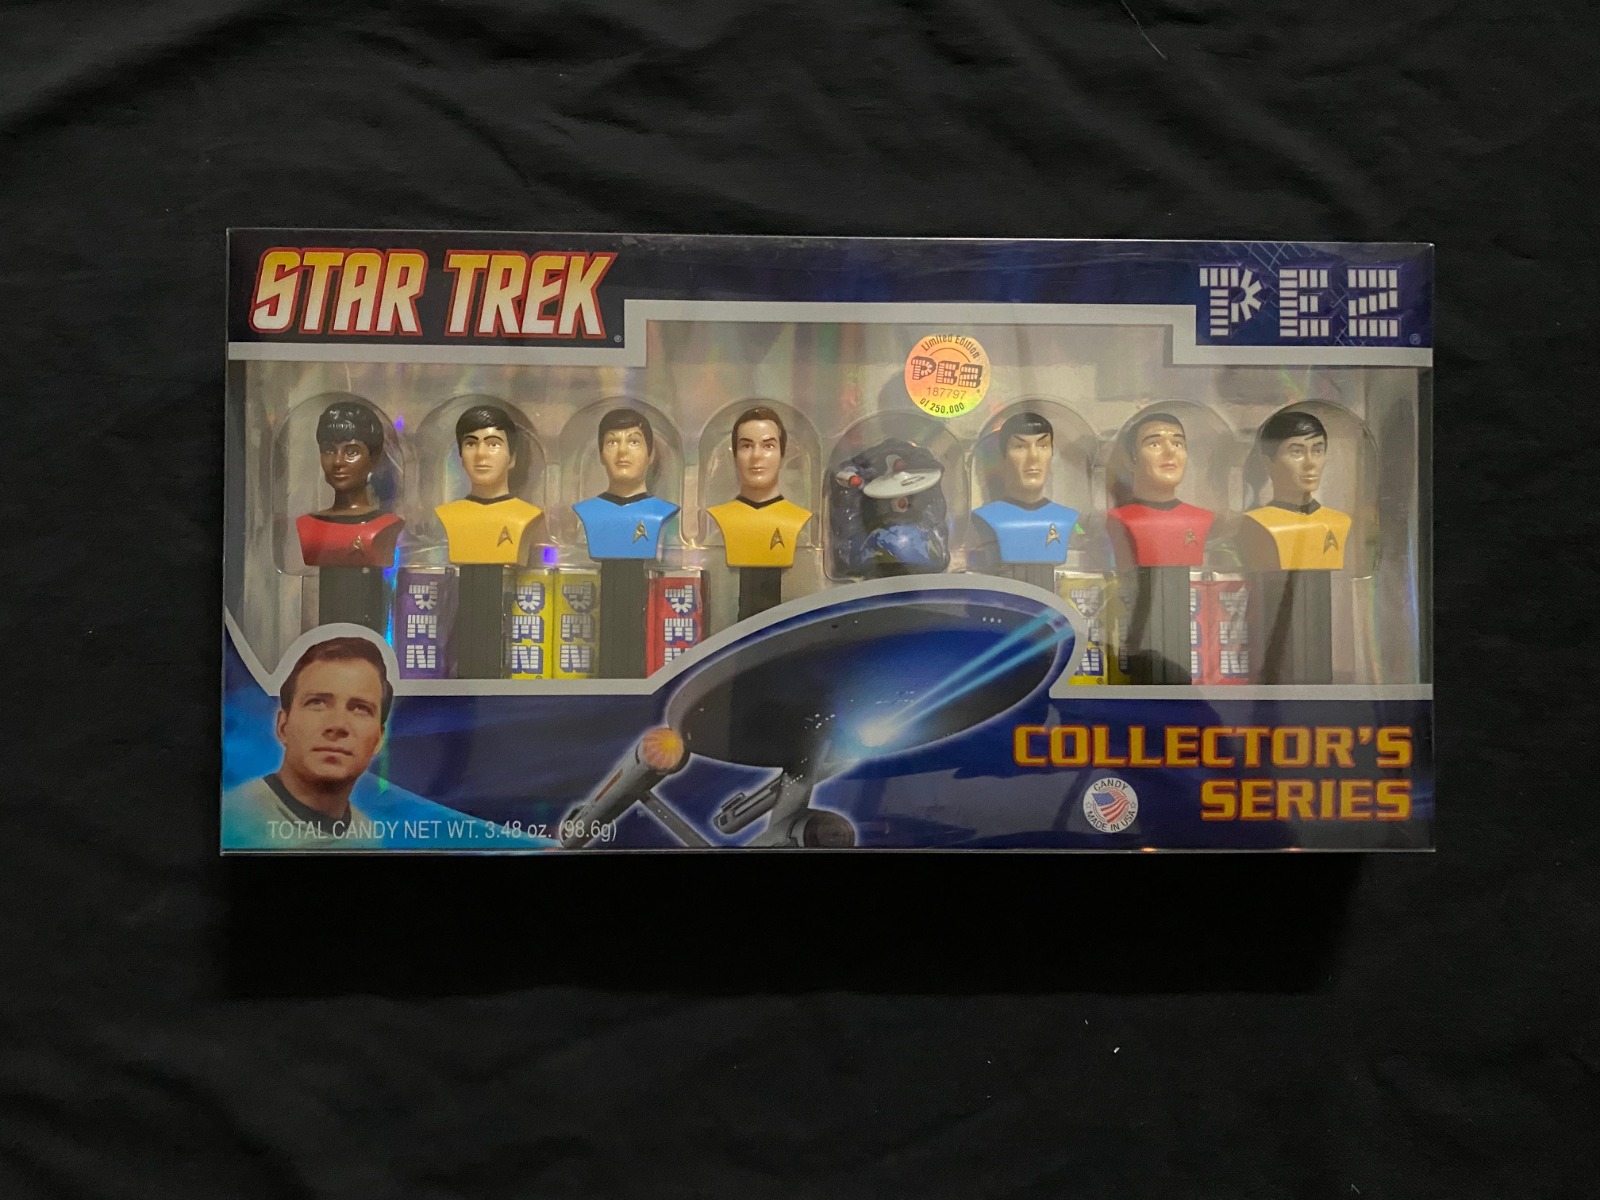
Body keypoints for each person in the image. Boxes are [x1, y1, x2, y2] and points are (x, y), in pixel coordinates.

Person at [222, 636, 393, 848]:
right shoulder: (230, 821)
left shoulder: (368, 837)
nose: (338, 725)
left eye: (360, 708)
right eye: (317, 703)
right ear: (283, 726)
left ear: (379, 738)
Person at [1237, 409, 1352, 684]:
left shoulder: (1340, 522)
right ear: (1269, 462)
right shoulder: (1257, 523)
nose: (1310, 463)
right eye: (1296, 452)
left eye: (1318, 450)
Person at [1104, 410, 1214, 684]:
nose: (1170, 452)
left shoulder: (1202, 519)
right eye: (1154, 443)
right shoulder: (1120, 519)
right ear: (1131, 459)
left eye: (1177, 443)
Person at [434, 404, 542, 677]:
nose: (481, 454)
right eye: (471, 444)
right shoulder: (450, 515)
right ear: (460, 456)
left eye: (493, 444)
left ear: (512, 458)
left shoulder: (525, 516)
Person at [572, 408, 679, 676]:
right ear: (600, 454)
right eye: (612, 442)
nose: (622, 451)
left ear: (650, 454)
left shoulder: (661, 512)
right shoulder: (589, 511)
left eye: (633, 441)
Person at [295, 398, 404, 631]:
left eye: (351, 452)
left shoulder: (385, 526)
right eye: (328, 450)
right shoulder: (308, 526)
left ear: (373, 457)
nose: (338, 462)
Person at [707, 406, 813, 619]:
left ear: (782, 453)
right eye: (746, 446)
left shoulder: (798, 520)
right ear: (734, 454)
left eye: (768, 446)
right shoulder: (718, 520)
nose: (756, 456)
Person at [970, 411, 1079, 590]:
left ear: (1052, 454)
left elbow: (1081, 535)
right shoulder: (984, 519)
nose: (1034, 456)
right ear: (1003, 456)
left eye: (1043, 445)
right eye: (1020, 447)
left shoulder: (1071, 519)